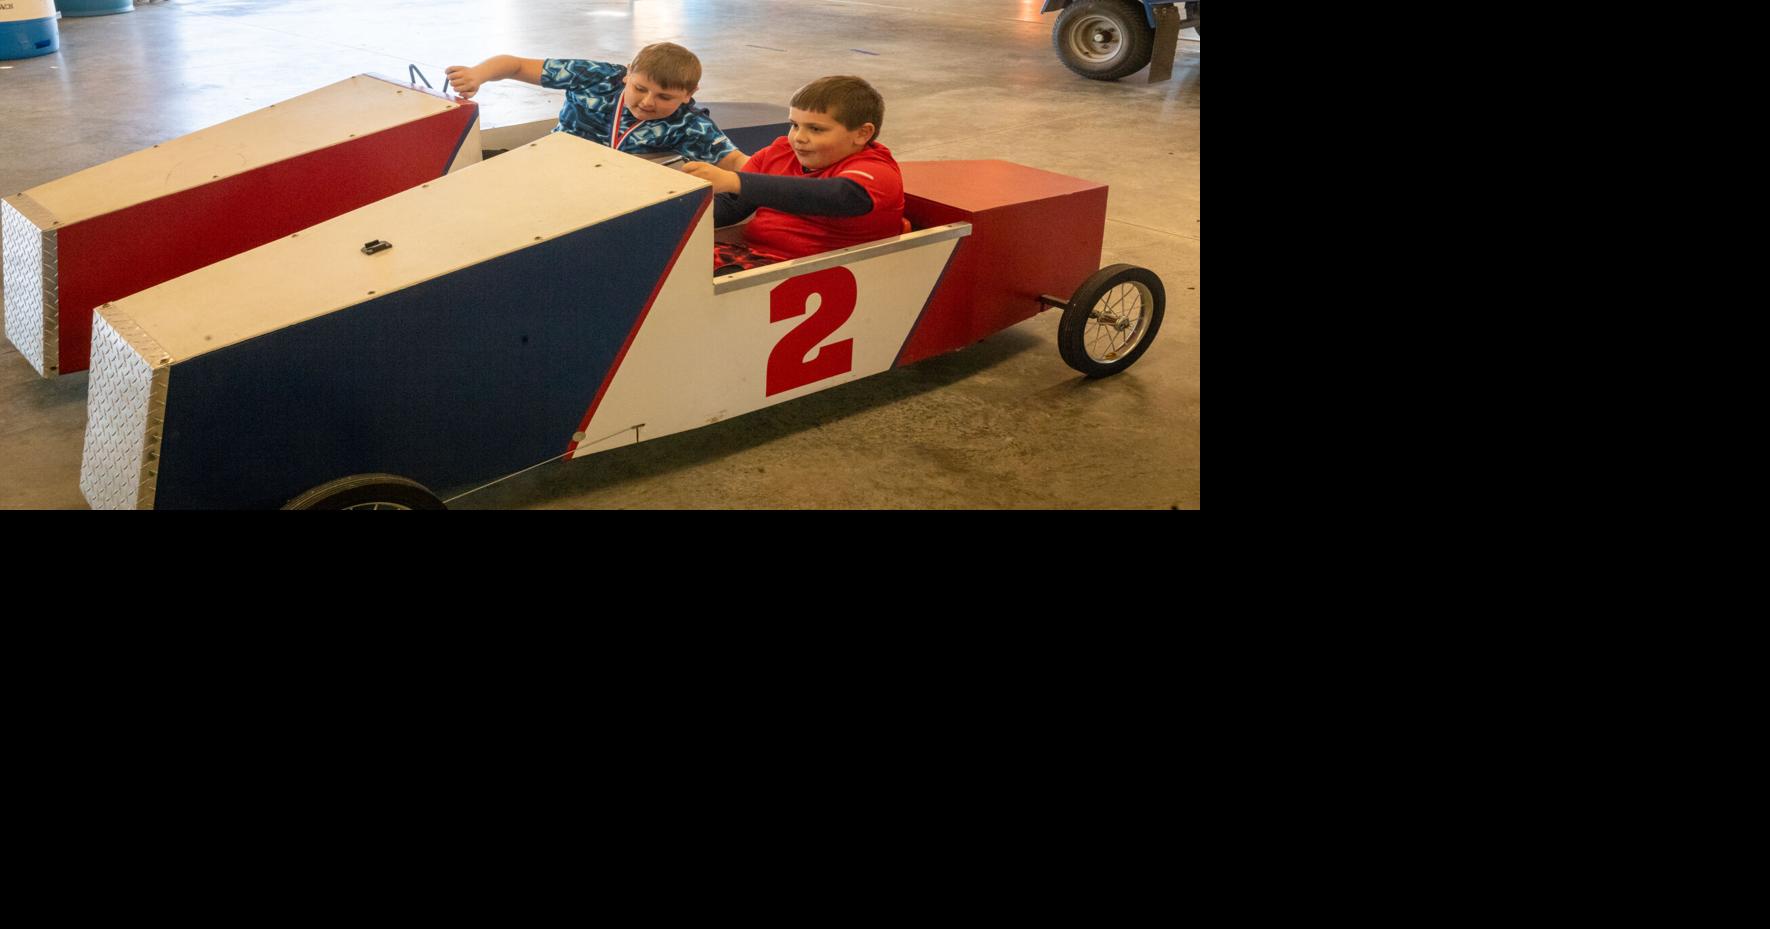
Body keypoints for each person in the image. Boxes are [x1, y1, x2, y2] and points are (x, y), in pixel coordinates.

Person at [681, 76, 903, 273]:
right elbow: (733, 206)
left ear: (862, 134)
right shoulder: (779, 152)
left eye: (815, 129)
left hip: (817, 270)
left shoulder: (876, 169)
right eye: (794, 125)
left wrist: (734, 180)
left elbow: (838, 196)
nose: (799, 137)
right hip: (751, 255)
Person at [444, 43, 748, 170]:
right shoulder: (595, 77)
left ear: (689, 94)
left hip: (613, 197)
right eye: (639, 88)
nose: (647, 102)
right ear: (628, 72)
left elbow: (738, 164)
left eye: (664, 98)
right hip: (547, 166)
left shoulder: (691, 125)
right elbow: (514, 65)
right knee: (463, 165)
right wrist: (477, 75)